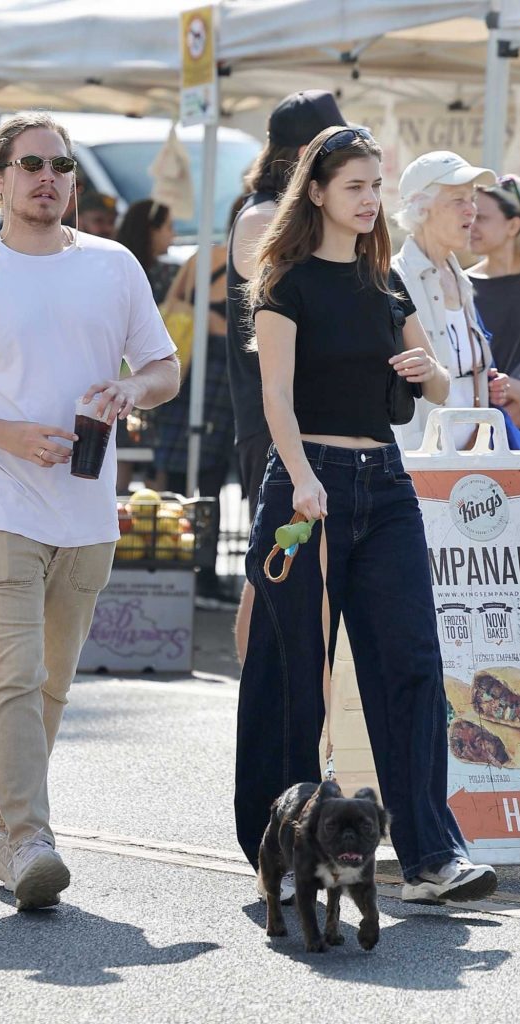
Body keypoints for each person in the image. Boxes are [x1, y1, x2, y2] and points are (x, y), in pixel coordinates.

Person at [0, 111, 179, 911]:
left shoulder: (114, 266)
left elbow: (163, 367)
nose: (48, 177)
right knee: (13, 673)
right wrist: (7, 436)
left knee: (52, 683)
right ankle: (29, 839)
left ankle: (1, 827)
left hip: (87, 510)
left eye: (60, 165)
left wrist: (133, 388)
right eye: (30, 164)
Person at [235, 125, 497, 905]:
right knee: (292, 679)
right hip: (304, 485)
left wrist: (430, 368)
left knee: (411, 665)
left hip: (383, 483)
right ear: (315, 191)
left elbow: (444, 388)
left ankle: (427, 856)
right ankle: (278, 853)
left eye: (375, 186)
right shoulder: (284, 280)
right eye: (354, 185)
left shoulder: (385, 282)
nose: (367, 200)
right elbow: (273, 395)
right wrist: (304, 480)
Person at [226, 90, 347, 661]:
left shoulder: (287, 214)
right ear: (306, 152)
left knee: (302, 568)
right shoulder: (259, 217)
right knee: (269, 566)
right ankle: (254, 689)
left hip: (309, 419)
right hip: (271, 418)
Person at [392, 151, 510, 451]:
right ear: (421, 207)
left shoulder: (461, 279)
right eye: (458, 200)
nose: (471, 210)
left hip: (475, 462)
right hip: (421, 464)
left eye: (471, 199)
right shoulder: (393, 279)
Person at [153, 217, 236, 608]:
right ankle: (202, 571)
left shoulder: (202, 258)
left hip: (185, 368)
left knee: (176, 471)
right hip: (217, 370)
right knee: (210, 479)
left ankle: (172, 560)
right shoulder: (256, 261)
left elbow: (173, 301)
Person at [115, 198, 177, 492]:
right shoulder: (160, 275)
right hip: (141, 378)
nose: (173, 236)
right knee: (152, 461)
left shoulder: (118, 268)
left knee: (120, 457)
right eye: (169, 227)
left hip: (121, 382)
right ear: (150, 230)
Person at [469, 174, 520, 424]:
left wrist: (514, 389)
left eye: (482, 217)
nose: (471, 223)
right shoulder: (460, 284)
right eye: (471, 213)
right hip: (474, 434)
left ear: (513, 226)